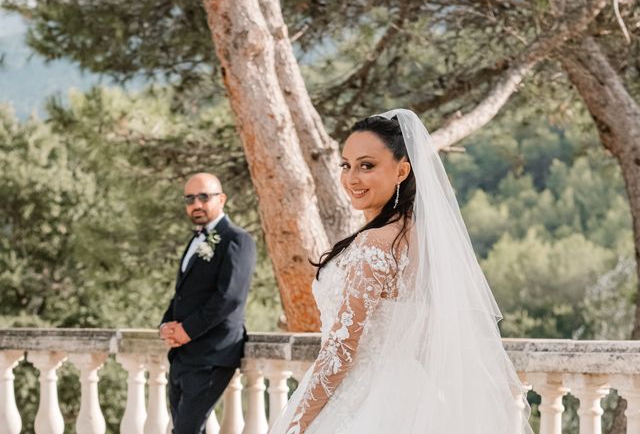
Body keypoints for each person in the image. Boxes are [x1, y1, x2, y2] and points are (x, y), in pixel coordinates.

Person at [268, 110, 532, 434]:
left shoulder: (375, 244)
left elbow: (342, 348)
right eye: (346, 165)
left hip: (361, 398)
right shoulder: (419, 237)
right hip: (412, 392)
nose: (352, 178)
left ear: (402, 170)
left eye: (367, 165)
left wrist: (296, 424)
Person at [160, 172, 256, 434]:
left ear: (221, 199)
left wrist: (186, 330)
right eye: (190, 198)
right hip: (183, 355)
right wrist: (166, 325)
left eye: (204, 196)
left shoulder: (238, 239)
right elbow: (182, 293)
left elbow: (229, 297)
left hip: (213, 353)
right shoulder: (195, 240)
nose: (196, 204)